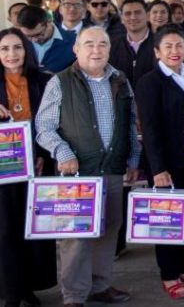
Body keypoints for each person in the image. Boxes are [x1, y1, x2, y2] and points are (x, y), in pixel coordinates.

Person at [35, 26, 141, 306]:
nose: (96, 50)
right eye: (89, 44)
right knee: (76, 237)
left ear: (109, 48)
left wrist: (133, 159)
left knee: (108, 229)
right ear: (76, 49)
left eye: (102, 44)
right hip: (77, 172)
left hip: (114, 169)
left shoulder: (119, 79)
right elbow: (43, 127)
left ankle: (100, 286)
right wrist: (63, 152)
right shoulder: (60, 82)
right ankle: (74, 295)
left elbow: (130, 124)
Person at [135, 25, 184, 299]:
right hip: (166, 164)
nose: (175, 51)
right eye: (168, 47)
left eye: (179, 46)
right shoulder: (150, 82)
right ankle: (169, 274)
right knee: (167, 220)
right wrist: (159, 169)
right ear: (156, 52)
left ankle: (183, 267)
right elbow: (150, 129)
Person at [0, 29, 56, 307]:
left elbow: (53, 123)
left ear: (27, 50)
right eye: (5, 49)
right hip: (3, 171)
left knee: (32, 229)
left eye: (17, 48)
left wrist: (45, 155)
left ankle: (29, 287)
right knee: (5, 231)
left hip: (36, 167)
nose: (12, 55)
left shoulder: (43, 80)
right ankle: (10, 291)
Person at [108, 0, 155, 87]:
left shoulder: (160, 44)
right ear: (121, 18)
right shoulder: (112, 46)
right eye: (127, 14)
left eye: (138, 13)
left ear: (148, 16)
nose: (133, 17)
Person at [17, 6, 76, 73]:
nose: (34, 40)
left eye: (38, 34)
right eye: (28, 36)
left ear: (49, 22)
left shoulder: (74, 42)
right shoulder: (16, 42)